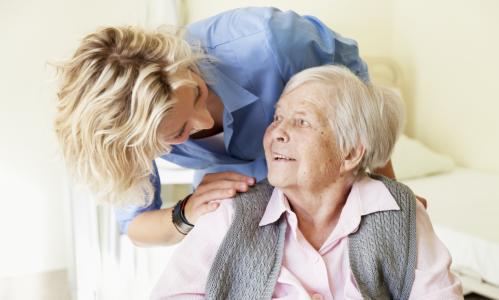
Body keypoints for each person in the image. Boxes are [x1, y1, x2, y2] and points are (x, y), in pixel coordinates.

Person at [52, 7, 424, 247]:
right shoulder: (128, 133)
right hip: (236, 201)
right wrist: (187, 212)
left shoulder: (270, 42)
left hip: (318, 179)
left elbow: (362, 106)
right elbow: (135, 226)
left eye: (198, 95)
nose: (203, 124)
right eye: (178, 135)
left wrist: (388, 191)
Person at [149, 65, 463, 300]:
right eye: (277, 118)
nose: (277, 133)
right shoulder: (229, 215)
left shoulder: (402, 213)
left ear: (350, 152)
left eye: (302, 121)